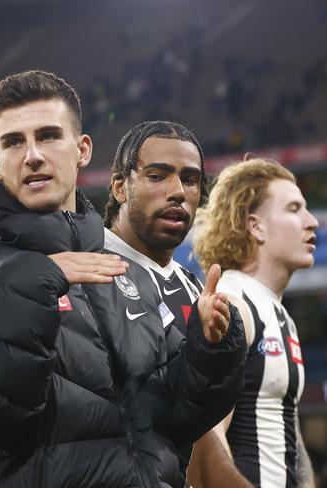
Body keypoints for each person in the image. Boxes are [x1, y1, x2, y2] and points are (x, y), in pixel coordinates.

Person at [0, 70, 246, 487]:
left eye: (48, 136)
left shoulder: (121, 267)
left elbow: (171, 421)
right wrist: (30, 285)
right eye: (13, 142)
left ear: (82, 150)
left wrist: (210, 349)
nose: (33, 155)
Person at [103, 120, 254, 487]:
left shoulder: (194, 291)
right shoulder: (85, 271)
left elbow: (194, 427)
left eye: (190, 180)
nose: (177, 192)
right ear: (120, 186)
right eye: (157, 176)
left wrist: (213, 349)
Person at [192, 158, 317, 488]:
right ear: (255, 226)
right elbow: (204, 438)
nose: (311, 221)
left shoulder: (279, 314)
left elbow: (290, 435)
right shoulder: (235, 303)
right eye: (294, 209)